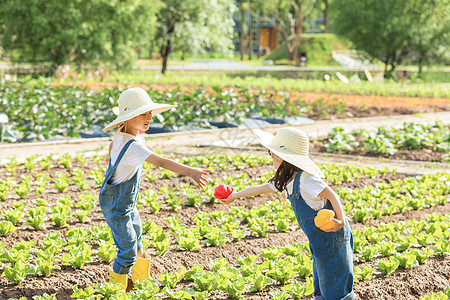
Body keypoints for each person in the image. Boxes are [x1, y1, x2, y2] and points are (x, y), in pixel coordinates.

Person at [222, 127, 355, 300]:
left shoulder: (307, 179)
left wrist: (340, 219)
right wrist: (235, 195)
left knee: (334, 278)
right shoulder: (287, 180)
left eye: (271, 154)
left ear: (280, 157)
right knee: (322, 275)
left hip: (332, 234)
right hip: (319, 238)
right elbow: (260, 189)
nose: (271, 158)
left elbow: (331, 194)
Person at [99, 87, 210, 291]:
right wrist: (191, 172)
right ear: (129, 117)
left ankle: (141, 282)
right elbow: (162, 162)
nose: (149, 117)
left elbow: (112, 147)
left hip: (126, 204)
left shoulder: (124, 136)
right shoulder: (133, 145)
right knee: (128, 251)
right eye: (143, 113)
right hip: (116, 206)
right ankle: (115, 290)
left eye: (150, 112)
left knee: (138, 240)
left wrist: (110, 158)